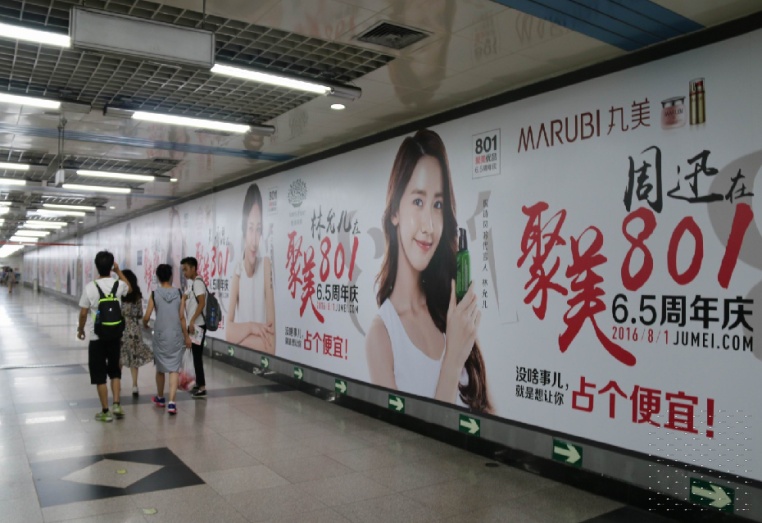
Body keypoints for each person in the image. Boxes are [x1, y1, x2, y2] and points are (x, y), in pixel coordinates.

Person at [365, 129, 492, 413]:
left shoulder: (448, 310)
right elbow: (399, 432)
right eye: (418, 202)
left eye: (437, 205)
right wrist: (452, 359)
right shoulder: (382, 335)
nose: (429, 226)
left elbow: (486, 412)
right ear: (395, 211)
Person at [77, 251, 132, 422]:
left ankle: (105, 411)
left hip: (97, 338)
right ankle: (117, 404)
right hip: (115, 336)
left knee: (99, 374)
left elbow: (83, 313)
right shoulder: (118, 285)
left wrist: (80, 329)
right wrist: (119, 271)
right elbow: (129, 288)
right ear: (111, 266)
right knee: (115, 371)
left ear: (96, 266)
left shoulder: (90, 287)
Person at [226, 183, 276, 353]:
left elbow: (271, 345)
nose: (254, 240)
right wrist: (251, 327)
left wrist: (238, 337)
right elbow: (228, 332)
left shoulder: (266, 265)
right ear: (243, 231)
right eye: (250, 229)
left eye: (258, 229)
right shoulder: (238, 271)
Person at [142, 264, 191, 415]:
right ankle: (172, 403)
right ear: (170, 276)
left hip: (160, 336)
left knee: (160, 368)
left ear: (158, 277)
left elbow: (147, 316)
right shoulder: (179, 293)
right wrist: (186, 337)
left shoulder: (154, 294)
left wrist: (145, 324)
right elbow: (182, 317)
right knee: (174, 368)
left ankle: (160, 398)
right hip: (175, 335)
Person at [119, 269, 153, 397]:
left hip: (121, 328)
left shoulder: (120, 295)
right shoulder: (137, 295)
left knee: (120, 356)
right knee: (134, 357)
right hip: (134, 329)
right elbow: (139, 314)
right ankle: (134, 386)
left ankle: (118, 383)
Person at [181, 257, 208, 399]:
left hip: (198, 325)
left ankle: (202, 387)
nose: (184, 273)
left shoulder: (197, 283)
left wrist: (191, 320)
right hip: (195, 325)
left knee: (197, 356)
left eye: (186, 269)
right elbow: (185, 296)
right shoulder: (193, 284)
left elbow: (202, 303)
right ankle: (198, 384)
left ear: (193, 268)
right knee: (196, 355)